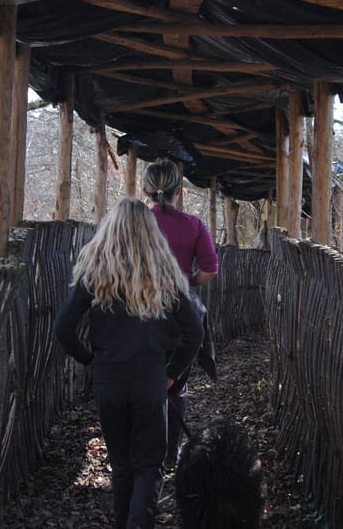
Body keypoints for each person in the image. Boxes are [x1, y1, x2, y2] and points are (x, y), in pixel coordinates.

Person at [53, 197, 203, 529]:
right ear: (152, 234)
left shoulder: (95, 274)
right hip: (151, 380)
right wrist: (171, 374)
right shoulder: (163, 275)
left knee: (121, 465)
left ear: (110, 231)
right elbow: (194, 331)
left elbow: (63, 328)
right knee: (150, 465)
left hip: (108, 381)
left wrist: (90, 360)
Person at [141, 159, 219, 470]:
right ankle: (170, 455)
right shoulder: (194, 226)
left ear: (146, 191)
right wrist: (186, 284)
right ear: (179, 190)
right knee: (175, 386)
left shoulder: (137, 225)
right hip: (180, 322)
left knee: (141, 383)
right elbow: (211, 270)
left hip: (140, 316)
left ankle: (145, 452)